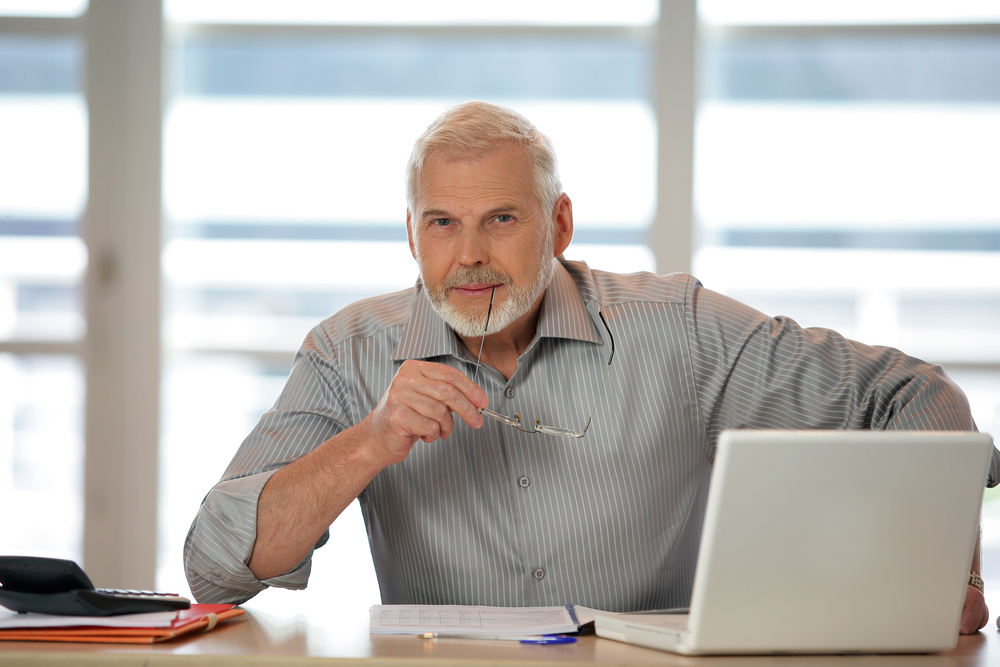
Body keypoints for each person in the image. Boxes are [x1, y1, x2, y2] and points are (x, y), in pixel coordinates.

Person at [184, 101, 999, 634]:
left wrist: (946, 573)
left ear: (560, 223)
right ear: (411, 235)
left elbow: (910, 394)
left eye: (502, 218)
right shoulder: (349, 350)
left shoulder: (677, 329)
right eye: (442, 223)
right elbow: (215, 566)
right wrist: (369, 442)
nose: (469, 255)